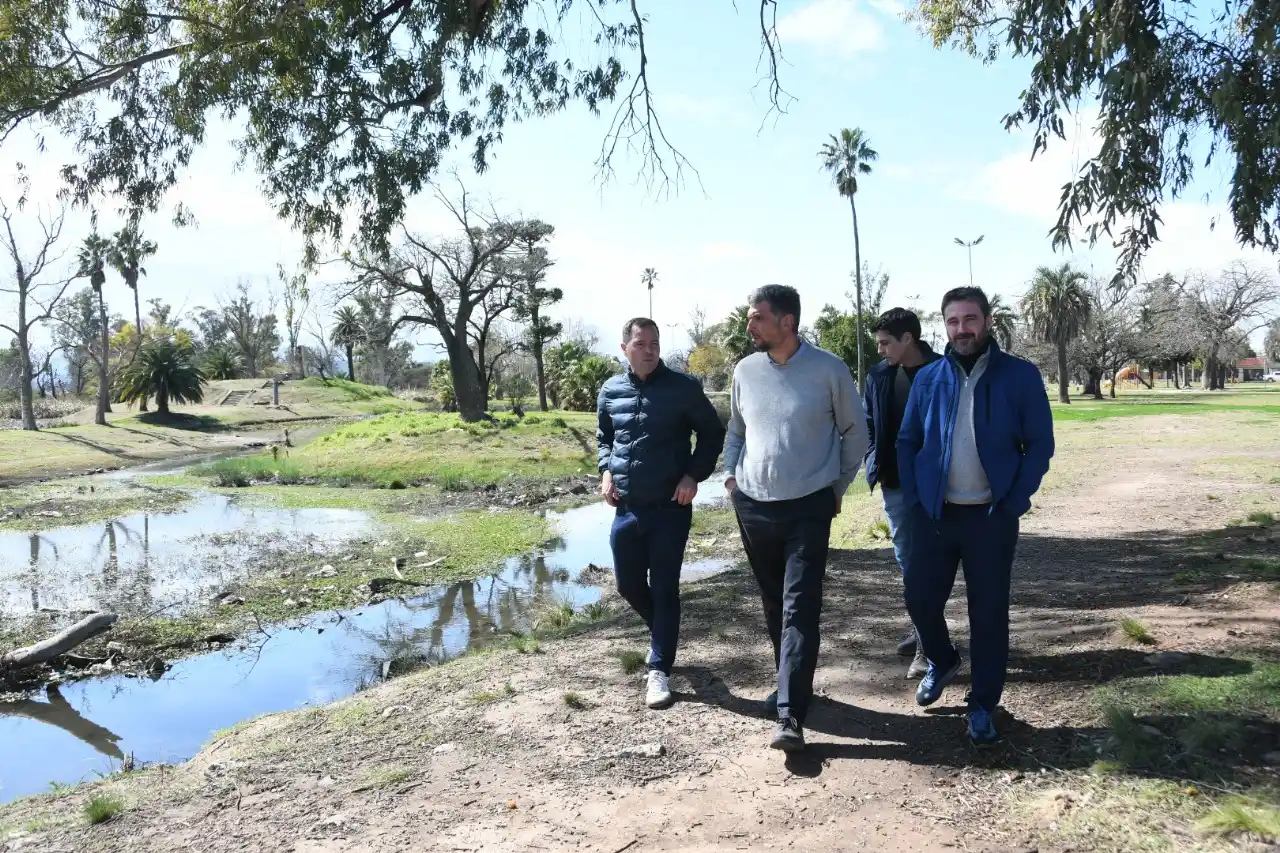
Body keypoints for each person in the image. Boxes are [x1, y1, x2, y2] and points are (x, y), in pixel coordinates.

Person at [897, 286, 1054, 746]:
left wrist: (1014, 500)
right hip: (935, 517)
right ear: (942, 325)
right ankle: (942, 660)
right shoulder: (928, 378)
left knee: (988, 615)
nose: (961, 329)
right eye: (952, 321)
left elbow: (1039, 445)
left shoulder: (1020, 376)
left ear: (987, 322)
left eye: (970, 319)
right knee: (920, 600)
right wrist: (915, 495)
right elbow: (907, 441)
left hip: (991, 517)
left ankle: (983, 704)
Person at [723, 284, 869, 753]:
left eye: (757, 318)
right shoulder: (745, 370)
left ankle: (789, 713)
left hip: (809, 504)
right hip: (753, 504)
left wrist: (837, 487)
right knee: (772, 604)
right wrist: (730, 478)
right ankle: (791, 686)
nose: (749, 326)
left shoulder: (829, 369)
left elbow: (855, 432)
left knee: (798, 607)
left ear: (788, 322)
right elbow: (737, 428)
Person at [597, 317, 726, 710]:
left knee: (665, 587)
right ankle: (665, 634)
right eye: (641, 344)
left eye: (654, 343)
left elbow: (712, 434)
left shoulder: (684, 388)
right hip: (627, 508)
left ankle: (659, 669)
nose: (650, 350)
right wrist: (605, 471)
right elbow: (605, 437)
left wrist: (692, 476)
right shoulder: (610, 389)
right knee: (628, 585)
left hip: (671, 508)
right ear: (625, 349)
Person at [862, 308, 940, 680]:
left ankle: (929, 644)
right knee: (909, 562)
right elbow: (869, 423)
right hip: (894, 484)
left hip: (938, 486)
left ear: (908, 339)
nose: (879, 350)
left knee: (929, 564)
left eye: (885, 343)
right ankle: (924, 631)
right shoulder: (878, 375)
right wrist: (871, 458)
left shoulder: (943, 371)